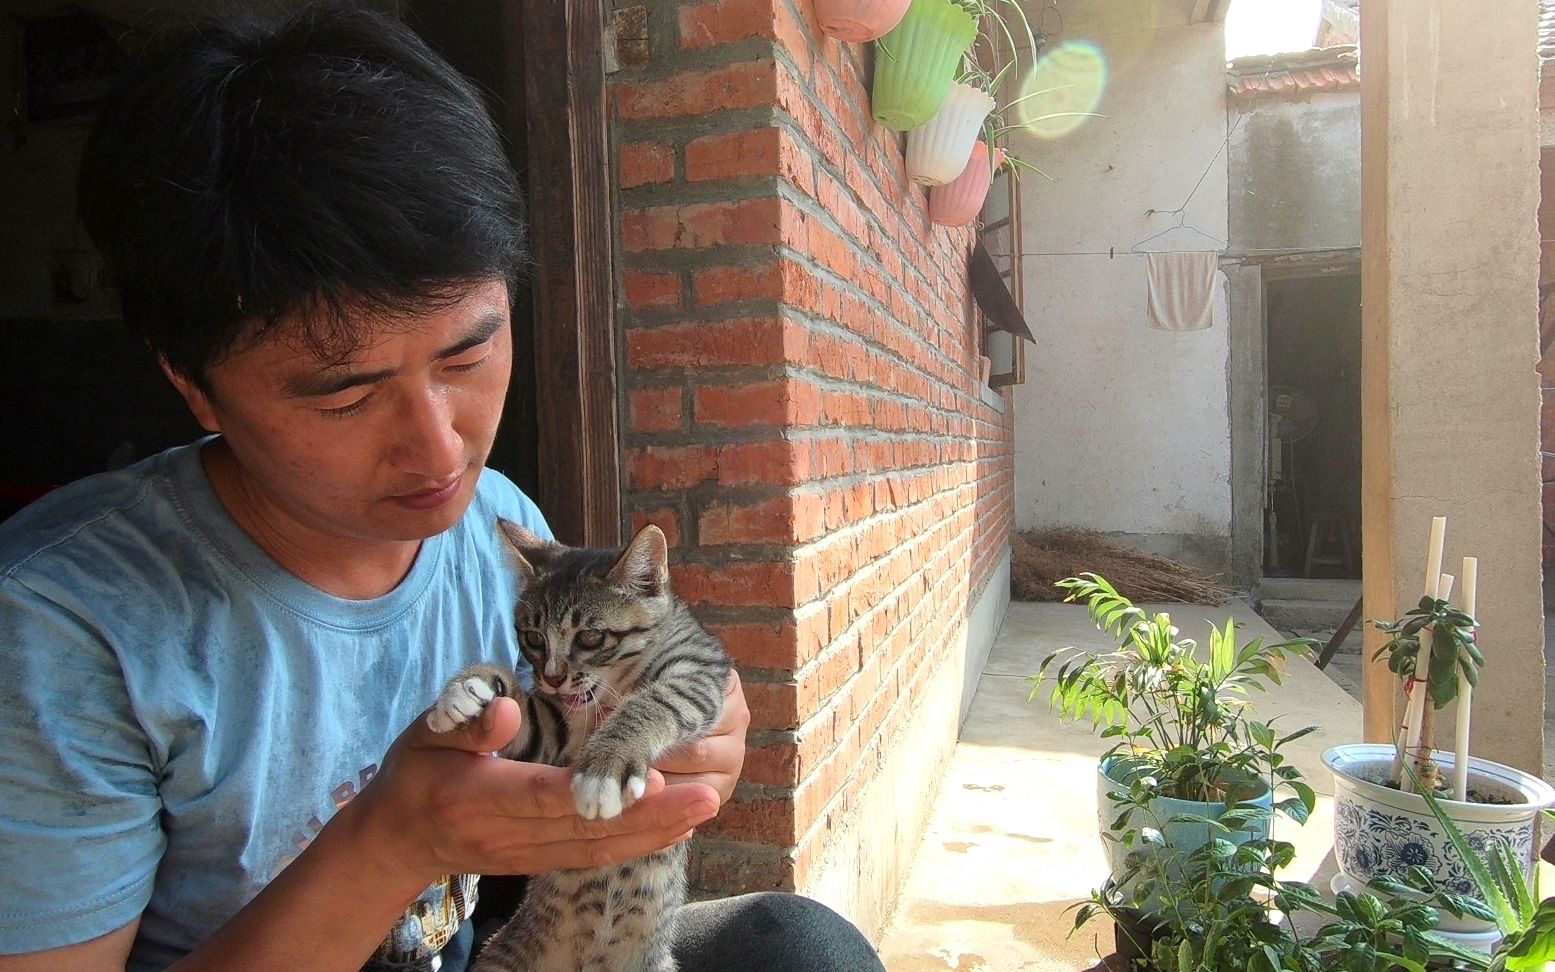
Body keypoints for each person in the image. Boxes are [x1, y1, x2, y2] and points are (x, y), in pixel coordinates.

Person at [0, 7, 884, 972]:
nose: (438, 449)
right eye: (344, 393)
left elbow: (552, 785)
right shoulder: (59, 630)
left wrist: (674, 727)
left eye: (468, 351)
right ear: (190, 381)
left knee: (798, 946)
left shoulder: (498, 531)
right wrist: (391, 843)